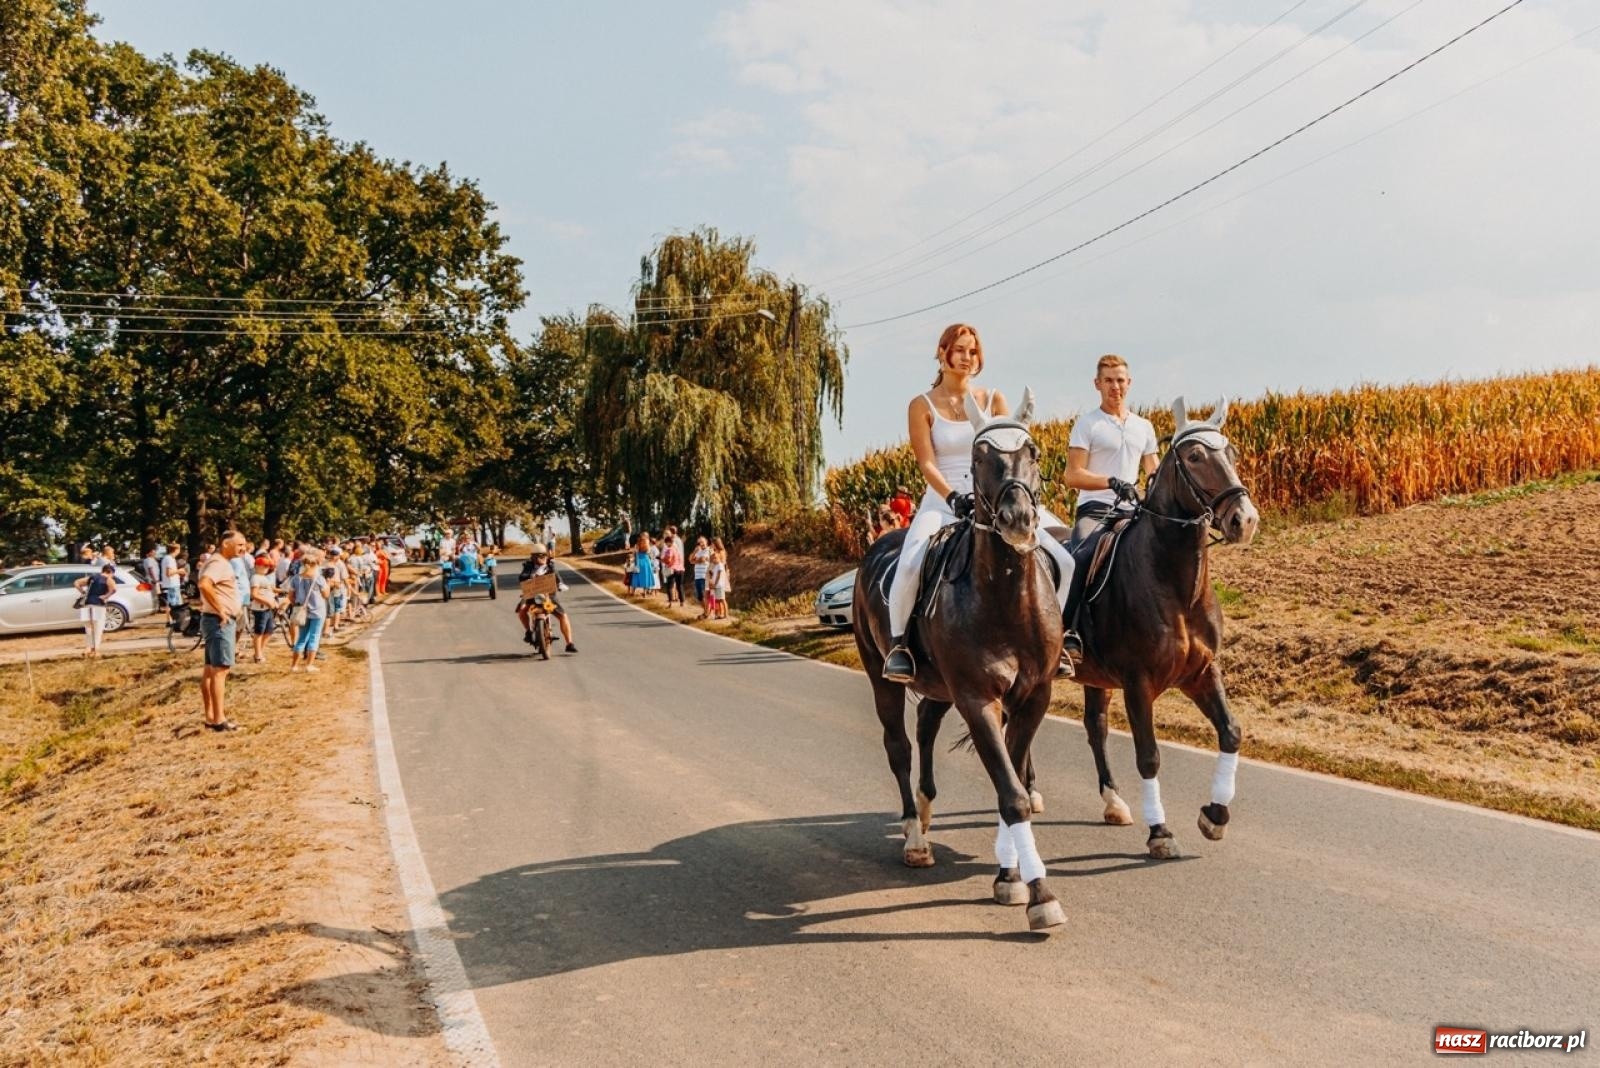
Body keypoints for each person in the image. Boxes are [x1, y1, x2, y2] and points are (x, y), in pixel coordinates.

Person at [881, 323, 1075, 682]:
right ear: (942, 353)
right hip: (944, 500)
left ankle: (1057, 642)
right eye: (959, 350)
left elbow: (1012, 454)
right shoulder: (921, 405)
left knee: (1064, 559)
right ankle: (900, 646)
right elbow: (926, 462)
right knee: (909, 565)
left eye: (973, 351)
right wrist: (953, 497)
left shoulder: (993, 400)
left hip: (996, 498)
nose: (967, 358)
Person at [1065, 354, 1160, 545]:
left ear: (1129, 383)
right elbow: (1072, 475)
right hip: (1096, 510)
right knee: (1081, 553)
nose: (1115, 387)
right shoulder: (1087, 424)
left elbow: (1154, 474)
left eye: (1120, 380)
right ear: (1097, 384)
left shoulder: (1144, 426)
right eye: (1108, 380)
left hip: (1134, 510)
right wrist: (1112, 482)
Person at [198, 530, 248, 731]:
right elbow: (204, 584)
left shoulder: (218, 562)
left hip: (213, 620)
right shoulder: (218, 563)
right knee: (220, 671)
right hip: (219, 621)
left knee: (211, 670)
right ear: (226, 543)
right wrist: (221, 610)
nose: (243, 549)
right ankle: (219, 719)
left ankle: (211, 717)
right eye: (239, 545)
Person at [515, 543, 577, 652]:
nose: (541, 558)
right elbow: (522, 577)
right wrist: (530, 576)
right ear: (533, 557)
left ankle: (569, 643)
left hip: (549, 596)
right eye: (538, 556)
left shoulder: (550, 565)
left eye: (543, 555)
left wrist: (561, 584)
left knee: (563, 616)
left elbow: (557, 576)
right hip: (532, 595)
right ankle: (528, 632)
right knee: (521, 611)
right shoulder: (528, 566)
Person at [288, 549, 330, 673]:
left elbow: (290, 595)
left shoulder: (296, 578)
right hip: (317, 611)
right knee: (314, 637)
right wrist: (327, 585)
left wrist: (296, 604)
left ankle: (294, 665)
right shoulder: (319, 578)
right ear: (316, 564)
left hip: (302, 611)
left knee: (301, 638)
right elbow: (326, 594)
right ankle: (309, 665)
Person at [73, 563, 118, 657]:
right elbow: (114, 589)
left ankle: (87, 648)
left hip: (87, 604)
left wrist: (83, 592)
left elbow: (76, 583)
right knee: (98, 628)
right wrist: (105, 596)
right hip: (98, 605)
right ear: (110, 572)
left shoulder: (92, 578)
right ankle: (96, 650)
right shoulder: (108, 579)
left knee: (89, 628)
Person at [248, 555, 279, 664]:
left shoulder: (265, 578)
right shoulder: (255, 577)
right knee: (259, 632)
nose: (266, 568)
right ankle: (258, 655)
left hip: (268, 608)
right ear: (256, 566)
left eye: (267, 566)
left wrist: (274, 600)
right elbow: (254, 594)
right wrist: (267, 602)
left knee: (269, 631)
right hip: (260, 609)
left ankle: (260, 651)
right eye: (264, 566)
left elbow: (270, 591)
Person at [660, 527, 686, 606]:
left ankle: (670, 602)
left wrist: (661, 559)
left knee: (669, 586)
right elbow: (680, 557)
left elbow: (668, 560)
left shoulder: (669, 549)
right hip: (680, 568)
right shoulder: (677, 547)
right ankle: (682, 602)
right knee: (679, 585)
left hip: (672, 569)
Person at [631, 532, 655, 598]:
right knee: (645, 576)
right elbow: (649, 552)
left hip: (639, 559)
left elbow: (635, 552)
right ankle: (644, 592)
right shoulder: (648, 544)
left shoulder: (638, 543)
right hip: (646, 560)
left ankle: (633, 592)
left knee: (636, 575)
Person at [690, 536, 711, 604]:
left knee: (705, 595)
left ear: (706, 541)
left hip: (704, 576)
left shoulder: (709, 550)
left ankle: (707, 612)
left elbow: (702, 559)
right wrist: (695, 551)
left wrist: (695, 561)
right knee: (700, 597)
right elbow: (690, 560)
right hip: (697, 576)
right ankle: (705, 611)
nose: (701, 544)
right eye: (699, 543)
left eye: (702, 542)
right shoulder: (698, 551)